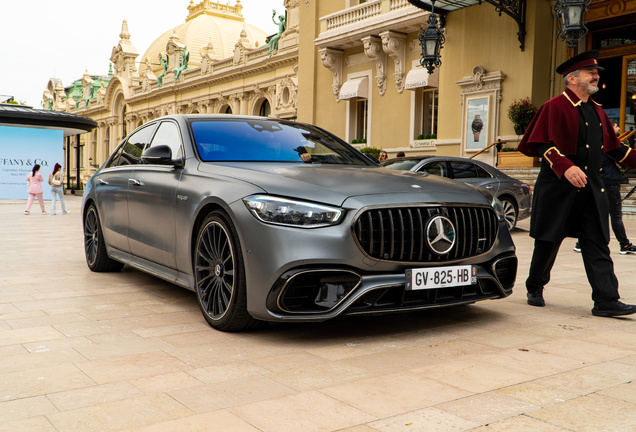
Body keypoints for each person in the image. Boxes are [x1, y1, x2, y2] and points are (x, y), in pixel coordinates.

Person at [517, 50, 636, 317]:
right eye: (590, 73)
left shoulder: (598, 112)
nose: (596, 77)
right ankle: (535, 286)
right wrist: (565, 166)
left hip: (592, 190)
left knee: (597, 243)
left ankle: (606, 300)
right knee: (548, 241)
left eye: (596, 74)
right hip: (558, 189)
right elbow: (540, 143)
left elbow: (616, 150)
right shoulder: (554, 107)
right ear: (572, 79)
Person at [574, 121, 636, 254]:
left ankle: (580, 242)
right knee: (616, 215)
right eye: (616, 126)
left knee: (595, 213)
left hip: (599, 182)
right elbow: (625, 158)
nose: (618, 128)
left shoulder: (596, 143)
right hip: (610, 183)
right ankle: (624, 245)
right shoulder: (610, 144)